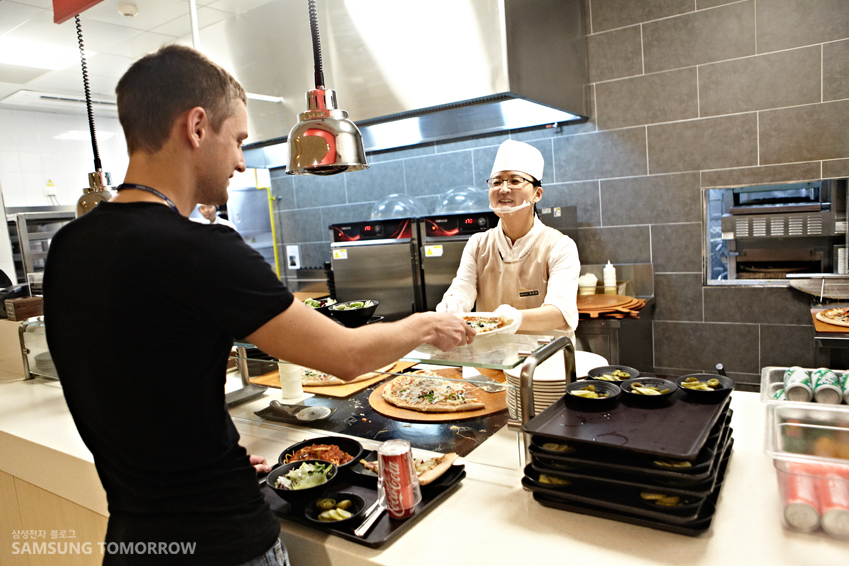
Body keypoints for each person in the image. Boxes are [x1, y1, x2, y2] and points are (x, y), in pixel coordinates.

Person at [43, 44, 474, 566]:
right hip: (223, 542)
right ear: (197, 127)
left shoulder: (69, 247)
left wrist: (206, 455)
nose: (242, 162)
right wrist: (426, 323)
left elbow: (136, 387)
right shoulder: (201, 249)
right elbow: (346, 357)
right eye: (239, 140)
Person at [436, 139, 580, 341]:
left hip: (545, 362)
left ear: (537, 194)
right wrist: (452, 304)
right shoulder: (478, 245)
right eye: (496, 182)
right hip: (489, 359)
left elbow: (560, 313)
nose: (503, 189)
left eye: (514, 181)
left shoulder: (560, 246)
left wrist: (515, 319)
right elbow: (463, 289)